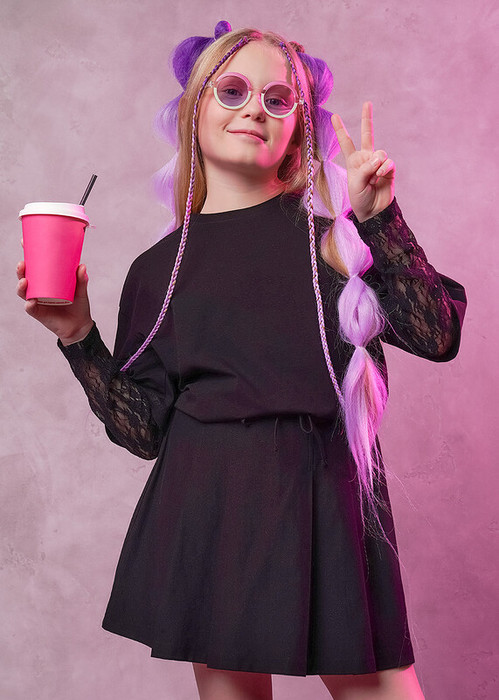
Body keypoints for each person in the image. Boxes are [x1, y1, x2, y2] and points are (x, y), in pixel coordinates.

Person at [17, 21, 466, 700]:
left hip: (325, 502)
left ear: (298, 131)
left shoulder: (334, 245)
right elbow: (144, 430)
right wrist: (79, 335)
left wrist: (380, 219)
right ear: (193, 111)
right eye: (232, 90)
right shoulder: (158, 270)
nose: (255, 108)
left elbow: (437, 335)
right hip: (209, 505)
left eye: (277, 99)